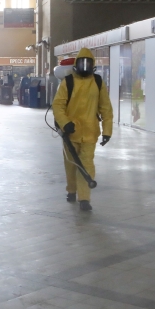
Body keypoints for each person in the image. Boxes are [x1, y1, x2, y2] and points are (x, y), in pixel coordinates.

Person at [52, 48, 113, 211]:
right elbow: (58, 105)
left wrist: (107, 131)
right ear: (76, 64)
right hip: (71, 133)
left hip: (90, 132)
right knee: (71, 164)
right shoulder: (69, 82)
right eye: (82, 63)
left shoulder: (98, 82)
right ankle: (72, 190)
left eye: (88, 63)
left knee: (86, 165)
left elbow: (106, 108)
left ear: (92, 65)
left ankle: (84, 198)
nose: (84, 66)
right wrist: (65, 123)